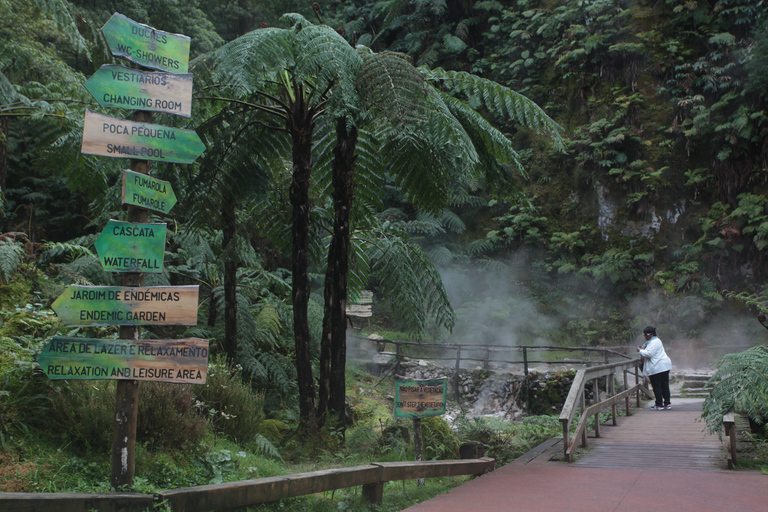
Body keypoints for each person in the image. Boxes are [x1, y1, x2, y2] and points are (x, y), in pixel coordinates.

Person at [637, 326, 672, 410]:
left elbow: (649, 354)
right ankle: (667, 403)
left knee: (657, 386)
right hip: (663, 366)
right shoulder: (655, 341)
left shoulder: (654, 342)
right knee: (664, 385)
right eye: (644, 335)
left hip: (657, 367)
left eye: (646, 334)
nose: (645, 336)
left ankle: (659, 404)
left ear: (651, 334)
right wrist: (643, 348)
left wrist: (640, 350)